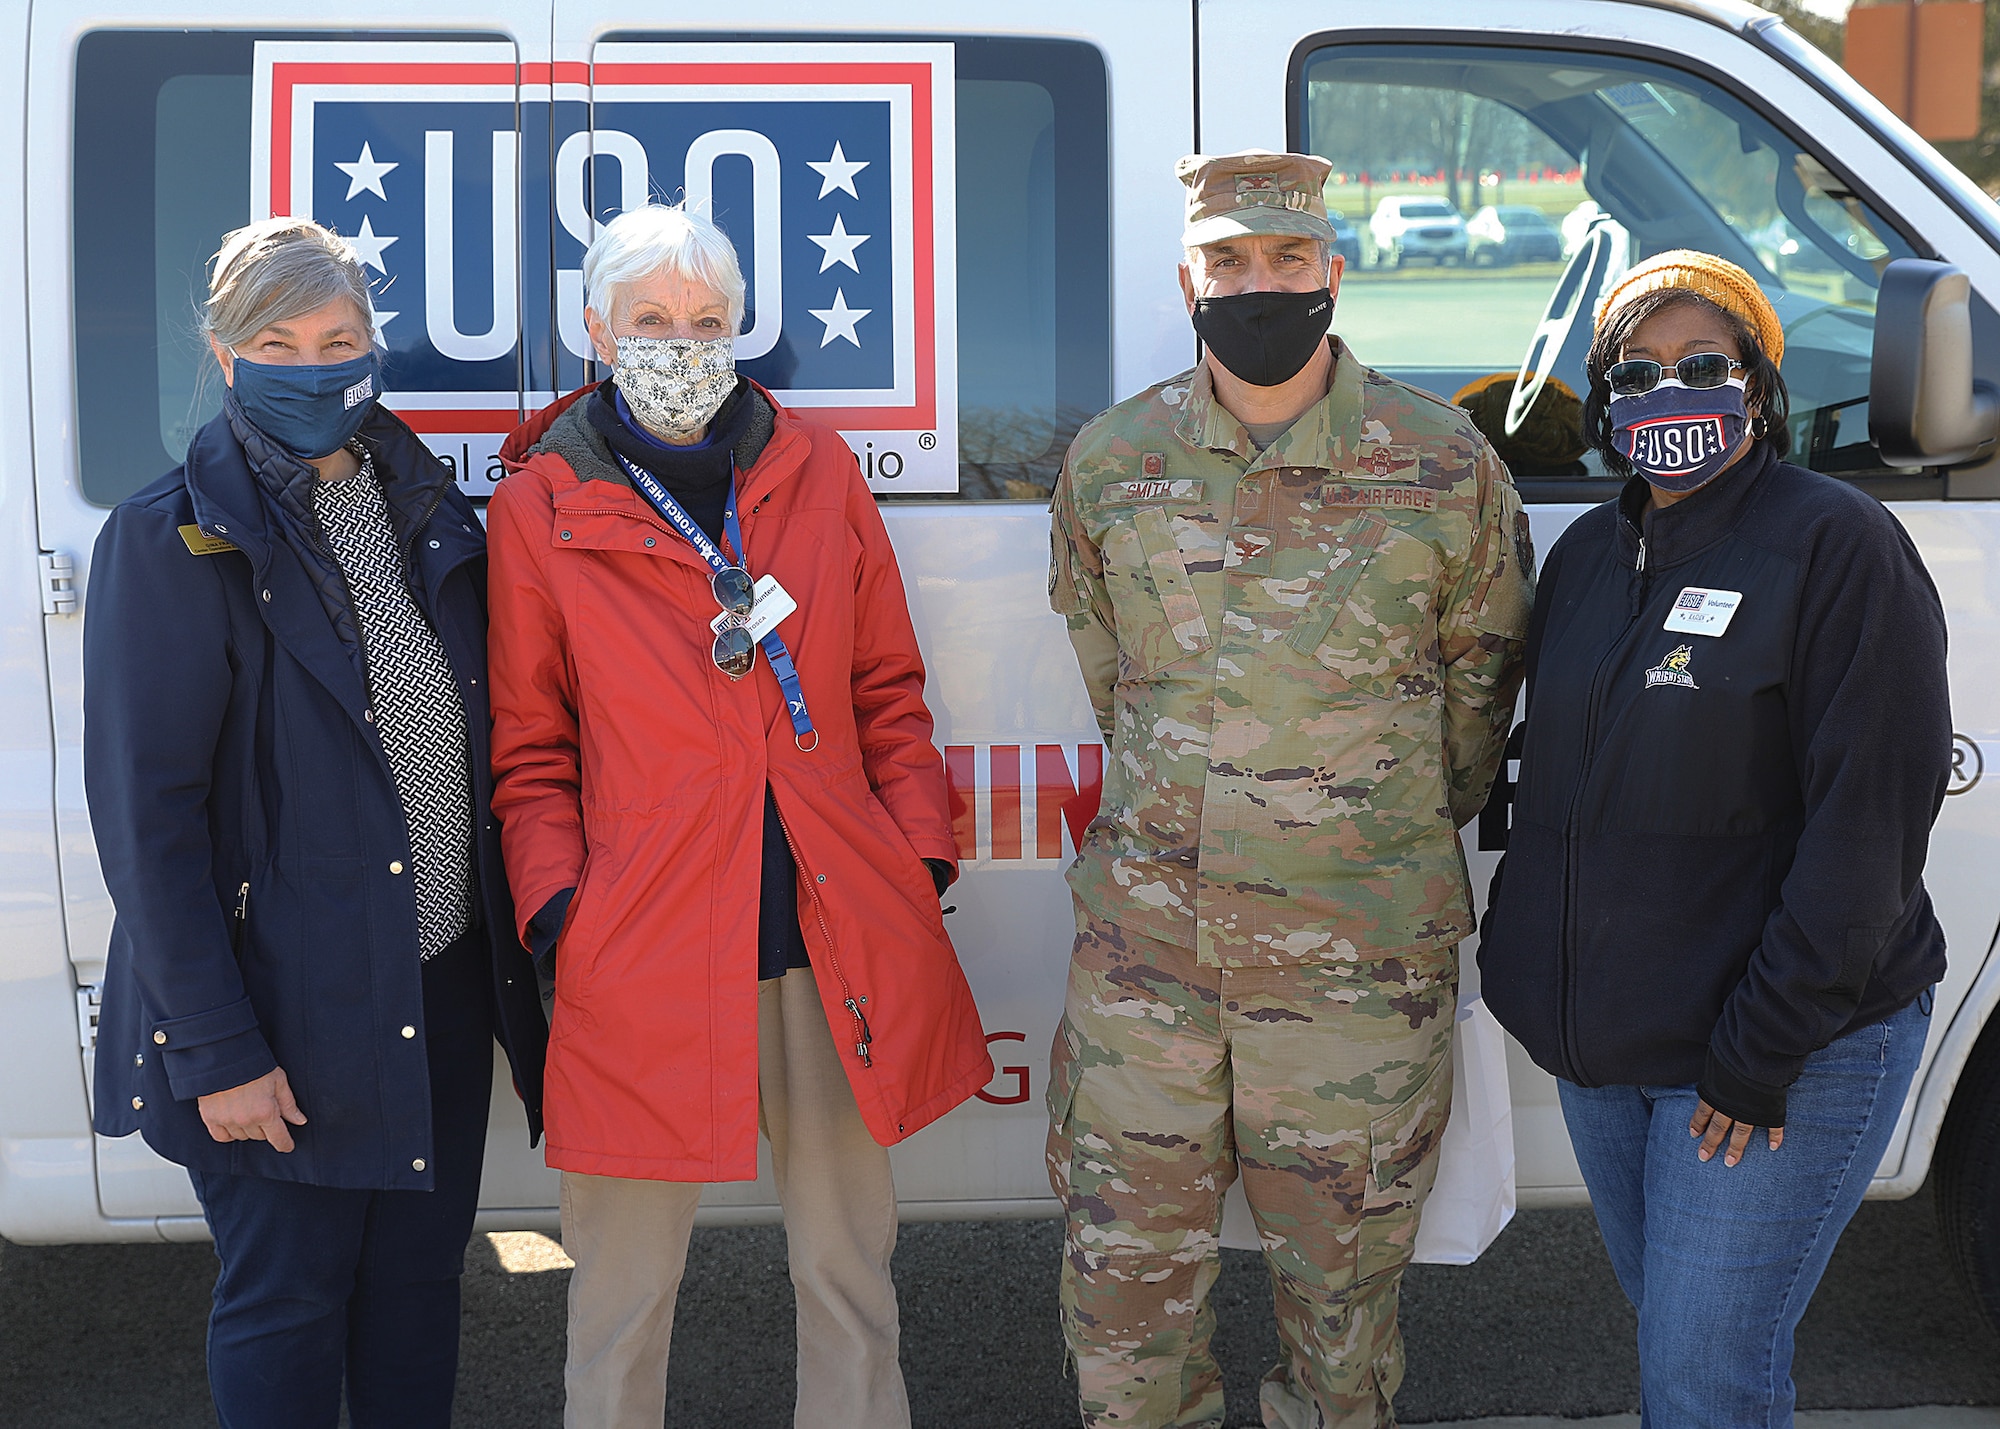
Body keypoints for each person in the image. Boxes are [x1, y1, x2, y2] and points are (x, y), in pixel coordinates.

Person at [1044, 150, 1535, 1429]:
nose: (1255, 284)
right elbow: (1113, 676)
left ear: (1331, 271)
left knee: (1342, 1320)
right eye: (1226, 261)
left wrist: (1343, 838)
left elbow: (1475, 703)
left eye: (1282, 259)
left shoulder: (1440, 466)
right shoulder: (1113, 462)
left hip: (1353, 980)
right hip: (1150, 966)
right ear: (1186, 278)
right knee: (1125, 1301)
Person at [486, 203, 992, 1429]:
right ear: (596, 329)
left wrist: (913, 856)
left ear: (739, 327)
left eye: (706, 320)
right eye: (651, 320)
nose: (680, 342)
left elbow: (886, 689)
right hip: (639, 943)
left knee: (847, 1276)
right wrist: (564, 910)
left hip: (826, 937)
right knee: (618, 1298)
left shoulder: (812, 468)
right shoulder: (539, 504)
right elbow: (529, 750)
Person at [84, 217, 548, 1429]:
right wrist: (217, 1046)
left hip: (431, 988)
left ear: (371, 350)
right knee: (286, 1304)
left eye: (338, 338)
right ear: (227, 358)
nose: (312, 364)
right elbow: (149, 820)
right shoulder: (169, 535)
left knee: (412, 1293)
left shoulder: (431, 510)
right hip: (274, 1011)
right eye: (277, 342)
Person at [1478, 250, 1947, 1427]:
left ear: (1756, 385)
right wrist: (1529, 977)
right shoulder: (1586, 555)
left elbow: (1868, 829)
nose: (1667, 392)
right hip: (1613, 1058)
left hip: (1772, 1059)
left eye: (1702, 364)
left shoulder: (1834, 544)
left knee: (1701, 1383)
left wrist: (1758, 1049)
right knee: (1687, 1362)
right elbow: (1560, 791)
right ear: (1601, 401)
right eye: (1634, 372)